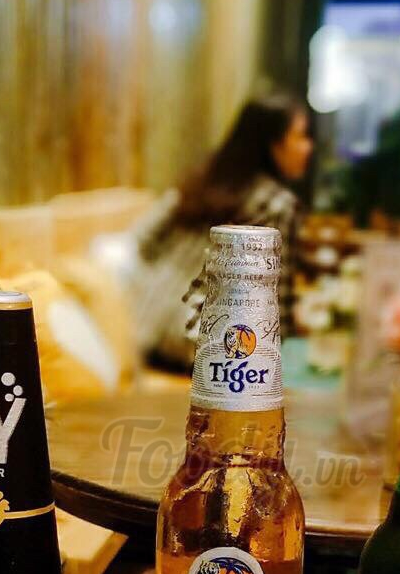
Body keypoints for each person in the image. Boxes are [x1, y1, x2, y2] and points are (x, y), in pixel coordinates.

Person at [130, 89, 313, 370]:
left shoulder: (200, 180)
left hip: (149, 332)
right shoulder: (278, 204)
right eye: (300, 136)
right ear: (273, 144)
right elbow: (275, 308)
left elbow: (143, 240)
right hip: (204, 351)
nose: (308, 147)